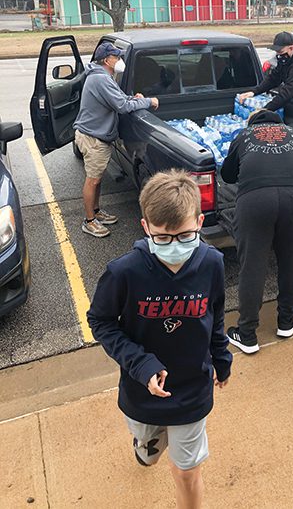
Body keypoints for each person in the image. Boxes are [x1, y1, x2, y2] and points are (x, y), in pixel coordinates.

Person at [87, 170, 232, 509]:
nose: (174, 248)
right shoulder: (124, 272)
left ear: (199, 221)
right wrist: (141, 364)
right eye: (163, 239)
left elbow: (216, 316)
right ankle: (146, 447)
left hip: (193, 389)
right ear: (146, 227)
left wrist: (221, 359)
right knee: (150, 453)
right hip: (142, 392)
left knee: (187, 472)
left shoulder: (212, 263)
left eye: (184, 236)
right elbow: (101, 321)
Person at [221, 108, 293, 354]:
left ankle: (247, 334)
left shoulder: (244, 135)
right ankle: (286, 321)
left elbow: (227, 175)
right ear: (278, 122)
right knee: (291, 259)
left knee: (252, 265)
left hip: (255, 200)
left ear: (253, 123)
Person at [73, 42, 159, 238]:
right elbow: (121, 105)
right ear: (106, 60)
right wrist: (148, 101)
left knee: (98, 178)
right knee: (93, 180)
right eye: (117, 57)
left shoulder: (103, 76)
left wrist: (134, 98)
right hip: (93, 138)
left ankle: (96, 212)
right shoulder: (100, 79)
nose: (120, 60)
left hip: (97, 136)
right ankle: (89, 221)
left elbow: (119, 98)